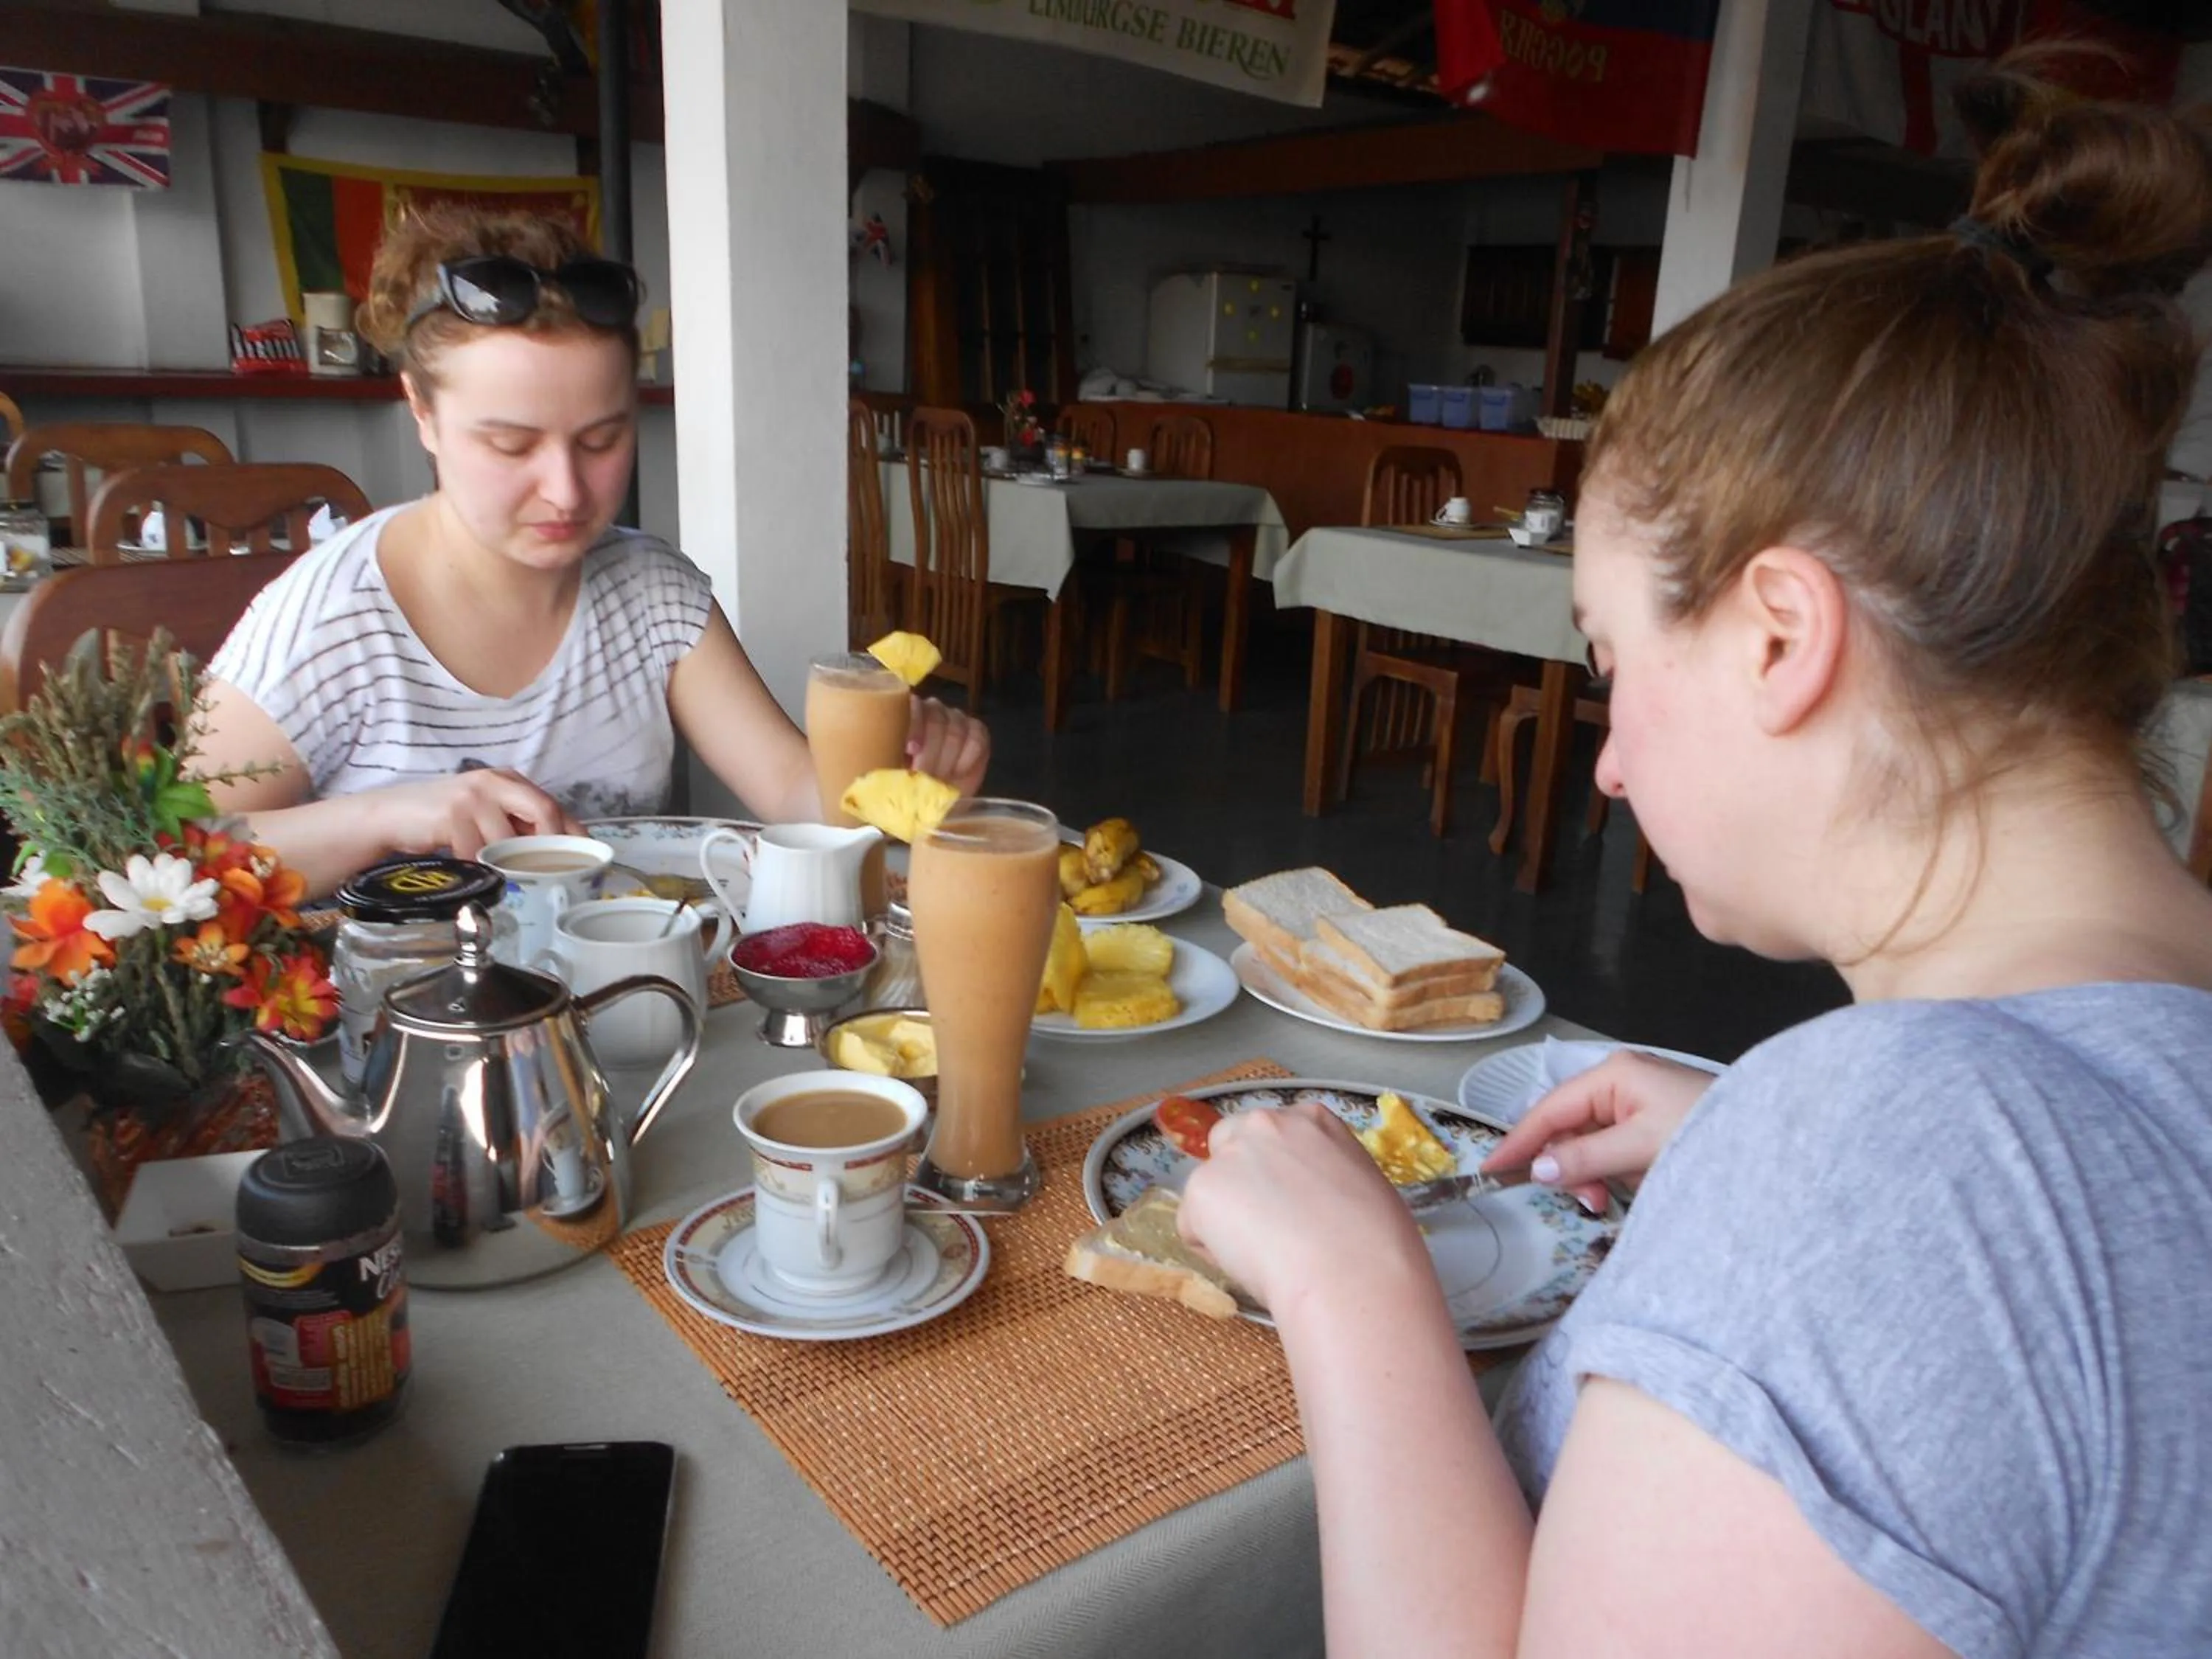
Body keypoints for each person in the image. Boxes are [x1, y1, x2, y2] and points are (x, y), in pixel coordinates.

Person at [1179, 58, 2212, 1658]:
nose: (1603, 755)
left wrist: (1351, 1288)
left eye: (1609, 665)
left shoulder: (1893, 1162)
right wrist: (1754, 1157)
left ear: (1782, 636)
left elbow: (1945, 1236)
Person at [197, 206, 988, 894]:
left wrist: (908, 774)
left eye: (603, 439)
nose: (569, 492)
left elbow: (790, 788)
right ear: (423, 413)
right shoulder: (330, 618)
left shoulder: (652, 594)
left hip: (626, 1010)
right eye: (511, 445)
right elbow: (160, 857)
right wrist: (387, 816)